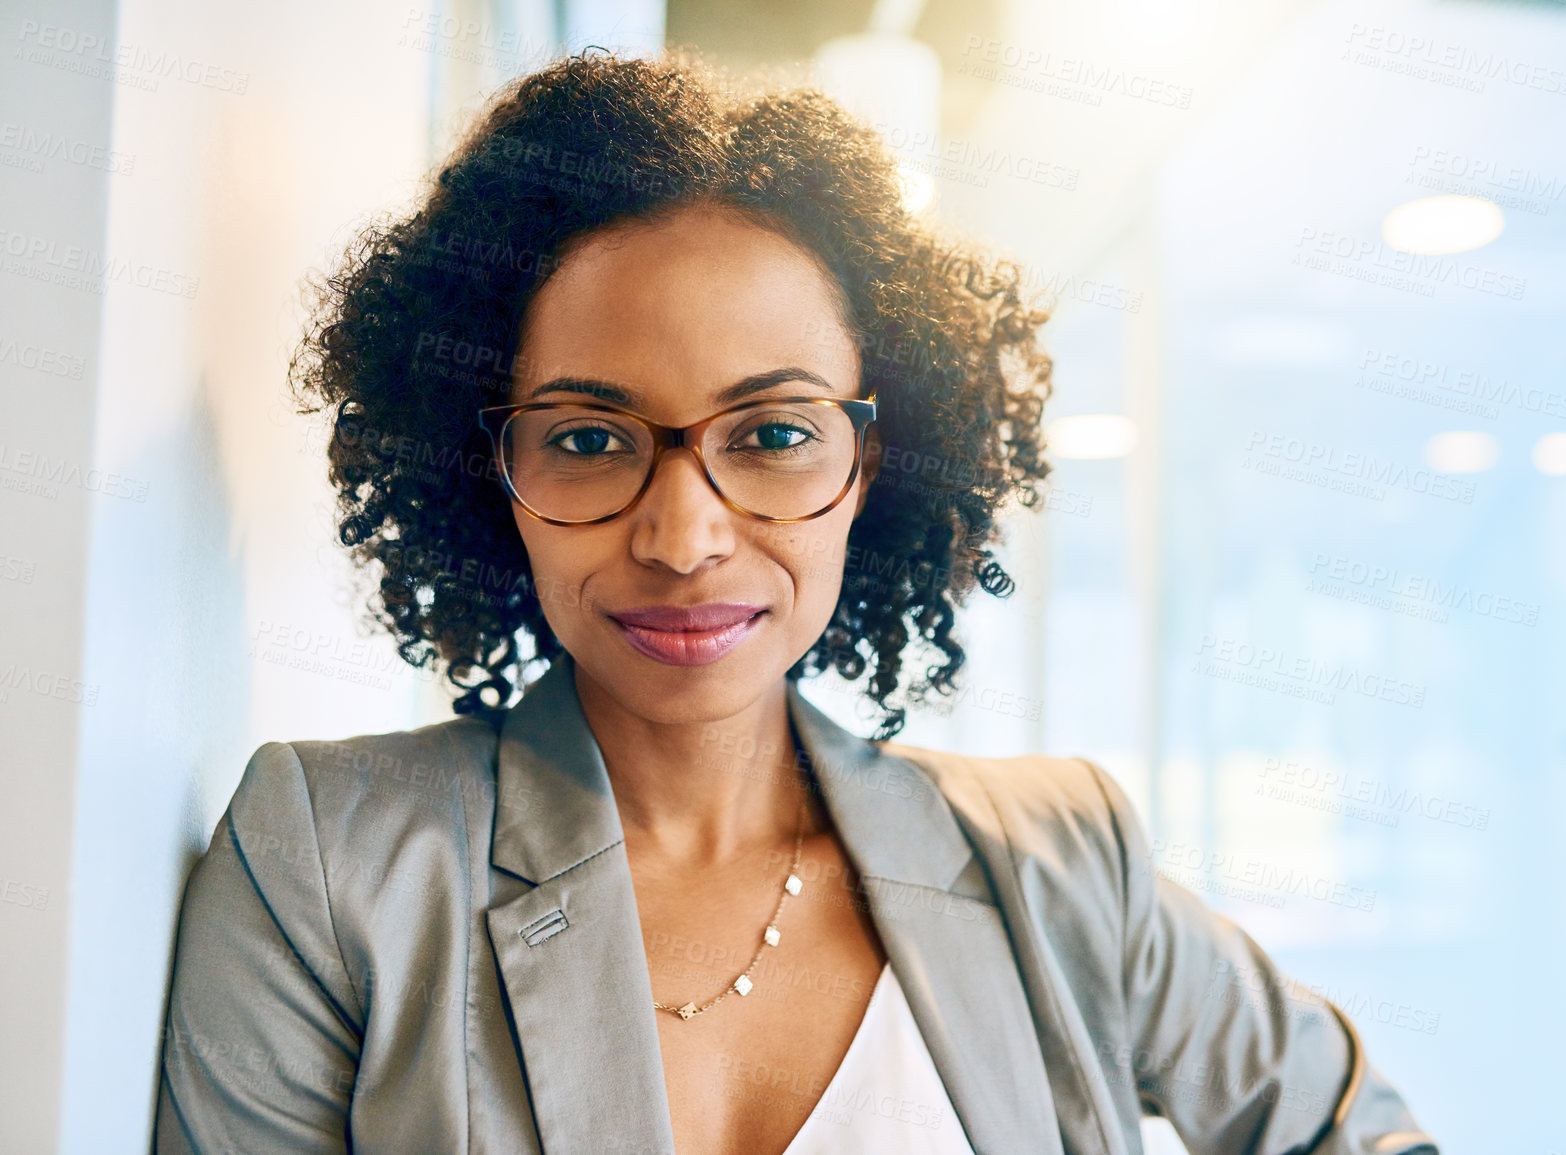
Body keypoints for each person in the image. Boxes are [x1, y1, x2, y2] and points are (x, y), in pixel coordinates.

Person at [153, 49, 1440, 1155]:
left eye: (772, 433)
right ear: (487, 470)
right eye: (591, 440)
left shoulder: (1059, 862)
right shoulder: (330, 866)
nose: (683, 536)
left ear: (873, 463)